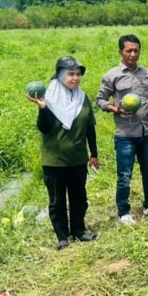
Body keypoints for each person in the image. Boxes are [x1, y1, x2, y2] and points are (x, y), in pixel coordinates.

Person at [26, 56, 99, 250]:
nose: (75, 78)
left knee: (79, 198)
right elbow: (44, 128)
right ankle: (62, 236)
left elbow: (90, 128)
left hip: (78, 158)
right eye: (70, 74)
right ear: (60, 75)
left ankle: (79, 230)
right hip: (54, 160)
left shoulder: (82, 98)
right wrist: (43, 109)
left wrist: (94, 154)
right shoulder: (49, 98)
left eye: (78, 74)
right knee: (57, 201)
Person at [96, 34, 148, 226]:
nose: (133, 54)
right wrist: (114, 108)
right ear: (121, 52)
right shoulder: (112, 75)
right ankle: (123, 212)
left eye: (136, 50)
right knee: (124, 175)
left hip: (146, 131)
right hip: (125, 134)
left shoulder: (147, 74)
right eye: (129, 51)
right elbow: (100, 100)